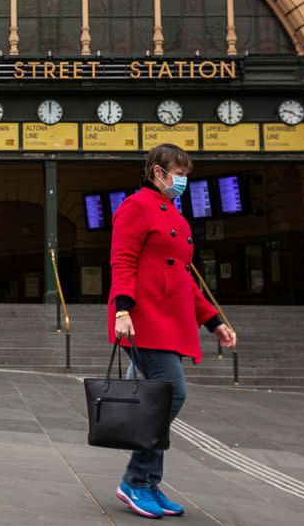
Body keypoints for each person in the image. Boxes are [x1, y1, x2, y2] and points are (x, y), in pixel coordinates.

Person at [109, 144, 236, 519]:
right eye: (176, 172)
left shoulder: (177, 218)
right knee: (170, 394)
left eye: (185, 173)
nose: (182, 179)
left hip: (168, 322)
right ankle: (135, 480)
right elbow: (122, 259)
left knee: (157, 400)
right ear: (156, 172)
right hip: (143, 319)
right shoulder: (135, 206)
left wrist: (214, 321)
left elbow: (183, 277)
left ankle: (148, 482)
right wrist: (122, 309)